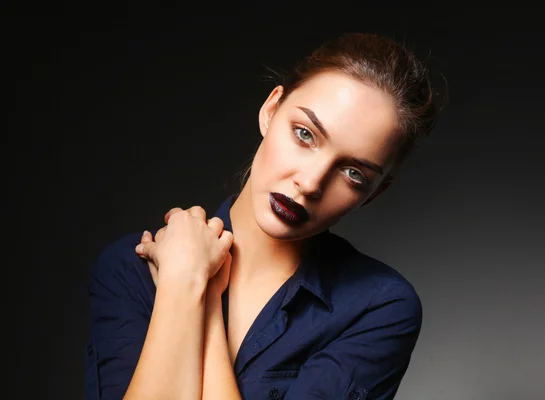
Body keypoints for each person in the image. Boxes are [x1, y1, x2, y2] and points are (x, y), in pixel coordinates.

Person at [85, 32, 441, 400]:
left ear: (375, 193)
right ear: (271, 111)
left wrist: (195, 290)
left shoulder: (379, 308)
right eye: (305, 134)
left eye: (353, 173)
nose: (309, 182)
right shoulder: (131, 269)